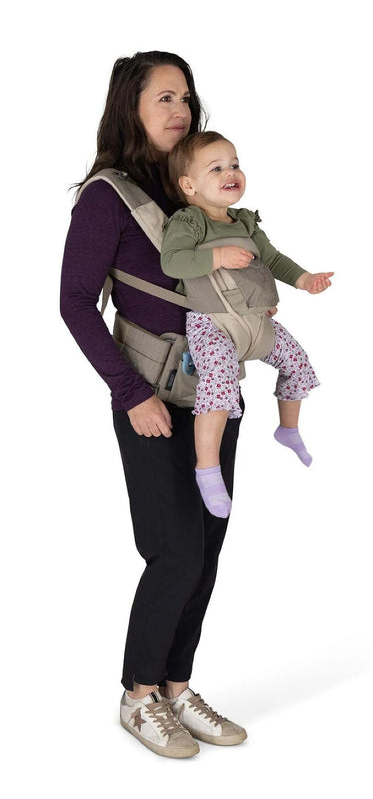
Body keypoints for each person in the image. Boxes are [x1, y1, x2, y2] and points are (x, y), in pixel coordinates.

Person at [61, 51, 249, 758]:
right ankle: (138, 694)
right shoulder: (108, 197)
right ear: (130, 109)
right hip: (152, 397)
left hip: (215, 397)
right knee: (173, 550)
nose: (180, 109)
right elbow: (75, 303)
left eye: (186, 97)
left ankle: (177, 685)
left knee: (206, 548)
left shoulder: (194, 187)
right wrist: (131, 393)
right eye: (164, 97)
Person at [162, 130, 332, 518]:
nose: (231, 172)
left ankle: (287, 429)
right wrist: (218, 256)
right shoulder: (189, 222)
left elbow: (273, 259)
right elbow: (172, 263)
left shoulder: (245, 221)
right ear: (189, 185)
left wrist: (305, 280)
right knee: (220, 386)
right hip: (212, 324)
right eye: (217, 167)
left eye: (235, 164)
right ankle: (207, 470)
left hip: (256, 323)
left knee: (299, 365)